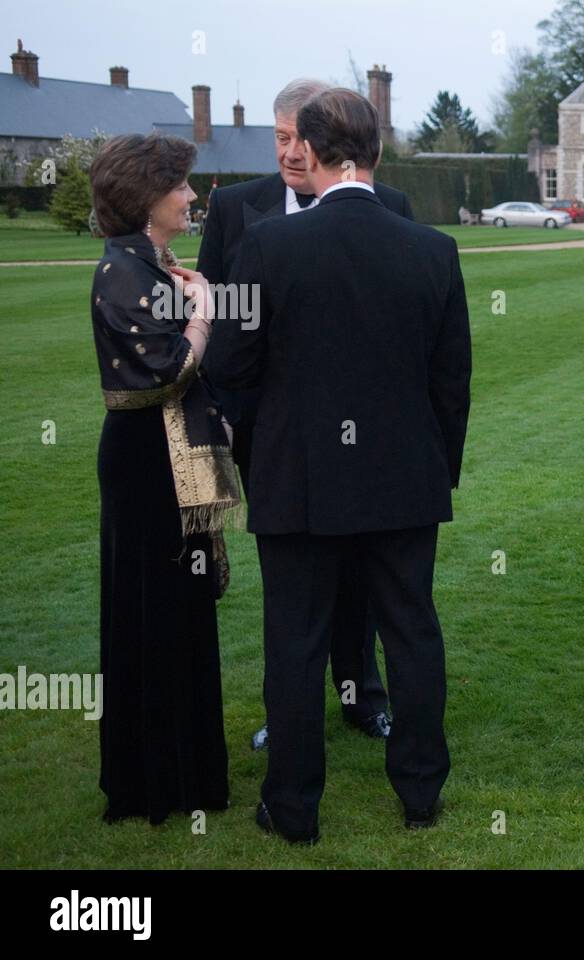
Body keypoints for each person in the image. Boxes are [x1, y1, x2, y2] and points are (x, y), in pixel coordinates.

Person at [207, 88, 471, 842]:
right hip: (403, 480)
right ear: (376, 157)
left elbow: (231, 369)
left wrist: (267, 455)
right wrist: (434, 473)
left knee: (295, 639)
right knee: (412, 632)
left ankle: (292, 808)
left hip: (301, 479)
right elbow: (451, 384)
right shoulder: (433, 249)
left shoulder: (267, 247)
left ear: (314, 157)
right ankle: (420, 791)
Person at [198, 78, 418, 751]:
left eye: (302, 138)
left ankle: (363, 697)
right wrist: (235, 428)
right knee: (291, 594)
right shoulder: (238, 209)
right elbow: (222, 332)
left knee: (361, 585)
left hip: (369, 440)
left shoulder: (392, 205)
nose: (292, 152)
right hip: (278, 439)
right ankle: (287, 716)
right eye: (281, 137)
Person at [88, 132, 241, 823]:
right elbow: (168, 369)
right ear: (146, 196)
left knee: (181, 611)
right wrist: (205, 311)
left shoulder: (151, 264)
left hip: (168, 453)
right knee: (153, 612)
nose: (188, 197)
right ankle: (157, 783)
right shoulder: (123, 271)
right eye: (179, 186)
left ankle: (187, 774)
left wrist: (193, 291)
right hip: (147, 464)